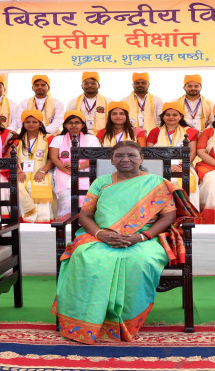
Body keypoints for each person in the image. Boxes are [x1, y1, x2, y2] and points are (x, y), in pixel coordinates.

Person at [52, 141, 195, 344]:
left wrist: (141, 237)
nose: (125, 159)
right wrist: (101, 234)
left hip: (145, 238)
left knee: (141, 260)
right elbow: (85, 216)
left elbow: (168, 217)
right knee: (88, 257)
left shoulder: (157, 183)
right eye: (119, 155)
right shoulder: (101, 183)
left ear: (141, 158)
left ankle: (126, 321)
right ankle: (89, 321)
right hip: (100, 236)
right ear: (112, 159)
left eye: (131, 155)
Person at [147, 102, 200, 208]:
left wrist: (180, 166)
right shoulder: (155, 131)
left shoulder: (190, 132)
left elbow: (192, 152)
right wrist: (166, 167)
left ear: (180, 116)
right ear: (163, 117)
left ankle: (189, 214)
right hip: (159, 167)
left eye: (175, 115)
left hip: (184, 166)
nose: (171, 117)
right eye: (168, 115)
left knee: (188, 180)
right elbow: (150, 153)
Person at [49, 110, 102, 218]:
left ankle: (85, 219)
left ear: (82, 125)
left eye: (77, 122)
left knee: (86, 191)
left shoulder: (91, 138)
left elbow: (95, 157)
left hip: (86, 170)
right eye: (70, 122)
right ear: (65, 125)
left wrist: (78, 167)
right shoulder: (58, 139)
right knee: (67, 196)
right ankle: (66, 219)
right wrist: (67, 171)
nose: (73, 125)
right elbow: (54, 158)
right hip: (63, 170)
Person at [13, 109, 56, 223]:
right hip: (22, 172)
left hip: (43, 171)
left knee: (40, 184)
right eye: (28, 122)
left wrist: (42, 172)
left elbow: (53, 158)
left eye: (34, 122)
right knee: (19, 186)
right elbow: (11, 157)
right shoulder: (17, 140)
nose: (31, 124)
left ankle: (43, 220)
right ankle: (27, 218)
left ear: (40, 123)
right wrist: (18, 172)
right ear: (23, 124)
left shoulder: (49, 138)